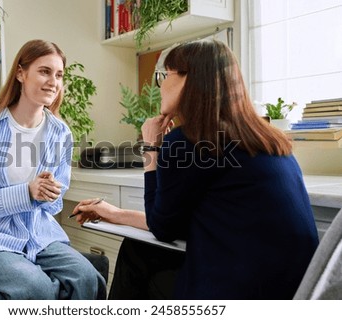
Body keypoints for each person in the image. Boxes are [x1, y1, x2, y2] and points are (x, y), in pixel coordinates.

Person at [73, 39, 319, 300]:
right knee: (142, 251)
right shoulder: (267, 139)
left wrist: (151, 147)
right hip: (294, 291)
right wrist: (114, 213)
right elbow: (178, 222)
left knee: (137, 255)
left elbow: (163, 228)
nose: (161, 86)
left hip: (242, 293)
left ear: (190, 81)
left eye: (165, 76)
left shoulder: (188, 142)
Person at [0, 39, 106, 300]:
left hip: (40, 235)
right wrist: (26, 193)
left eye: (59, 75)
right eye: (44, 71)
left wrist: (49, 194)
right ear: (21, 74)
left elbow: (53, 206)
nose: (53, 82)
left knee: (88, 278)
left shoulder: (60, 133)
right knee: (38, 289)